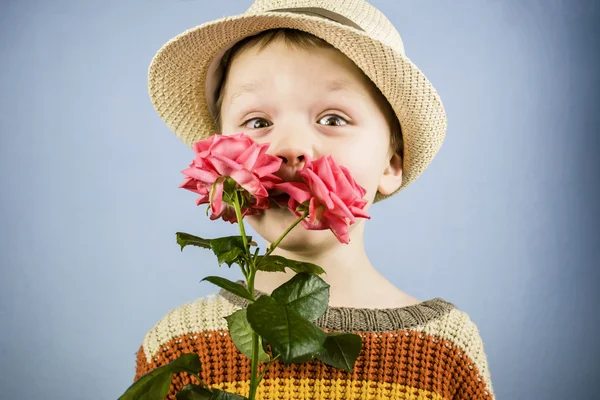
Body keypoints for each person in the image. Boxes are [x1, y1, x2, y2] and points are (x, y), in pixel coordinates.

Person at [134, 1, 495, 399]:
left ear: (391, 164)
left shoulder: (445, 349)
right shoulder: (178, 343)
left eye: (333, 119)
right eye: (258, 123)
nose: (289, 147)